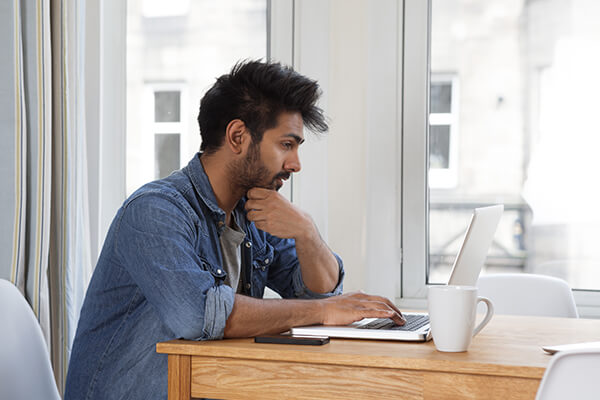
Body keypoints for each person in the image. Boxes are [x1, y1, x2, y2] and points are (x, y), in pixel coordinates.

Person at [65, 60, 405, 400]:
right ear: (238, 137)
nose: (296, 164)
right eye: (287, 145)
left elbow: (319, 295)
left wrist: (307, 233)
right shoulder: (155, 212)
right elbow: (197, 316)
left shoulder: (252, 211)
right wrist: (324, 311)